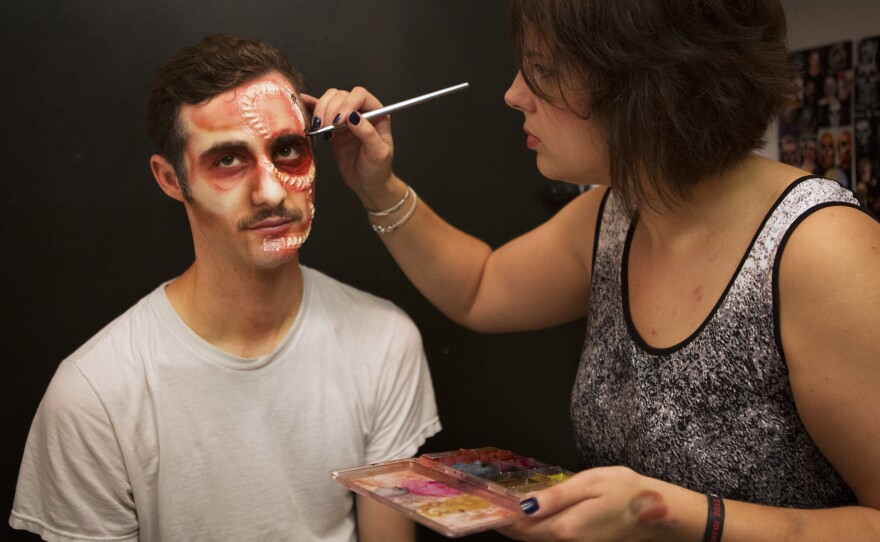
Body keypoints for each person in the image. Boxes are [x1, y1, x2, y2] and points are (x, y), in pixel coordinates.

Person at [306, 0, 880, 540]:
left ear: (643, 85)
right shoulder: (616, 214)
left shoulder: (820, 252)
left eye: (543, 72)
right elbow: (480, 289)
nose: (512, 95)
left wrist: (680, 516)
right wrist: (376, 186)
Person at [9, 34, 440, 542]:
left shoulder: (384, 341)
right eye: (228, 160)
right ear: (171, 179)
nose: (273, 190)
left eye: (288, 149)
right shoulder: (93, 396)